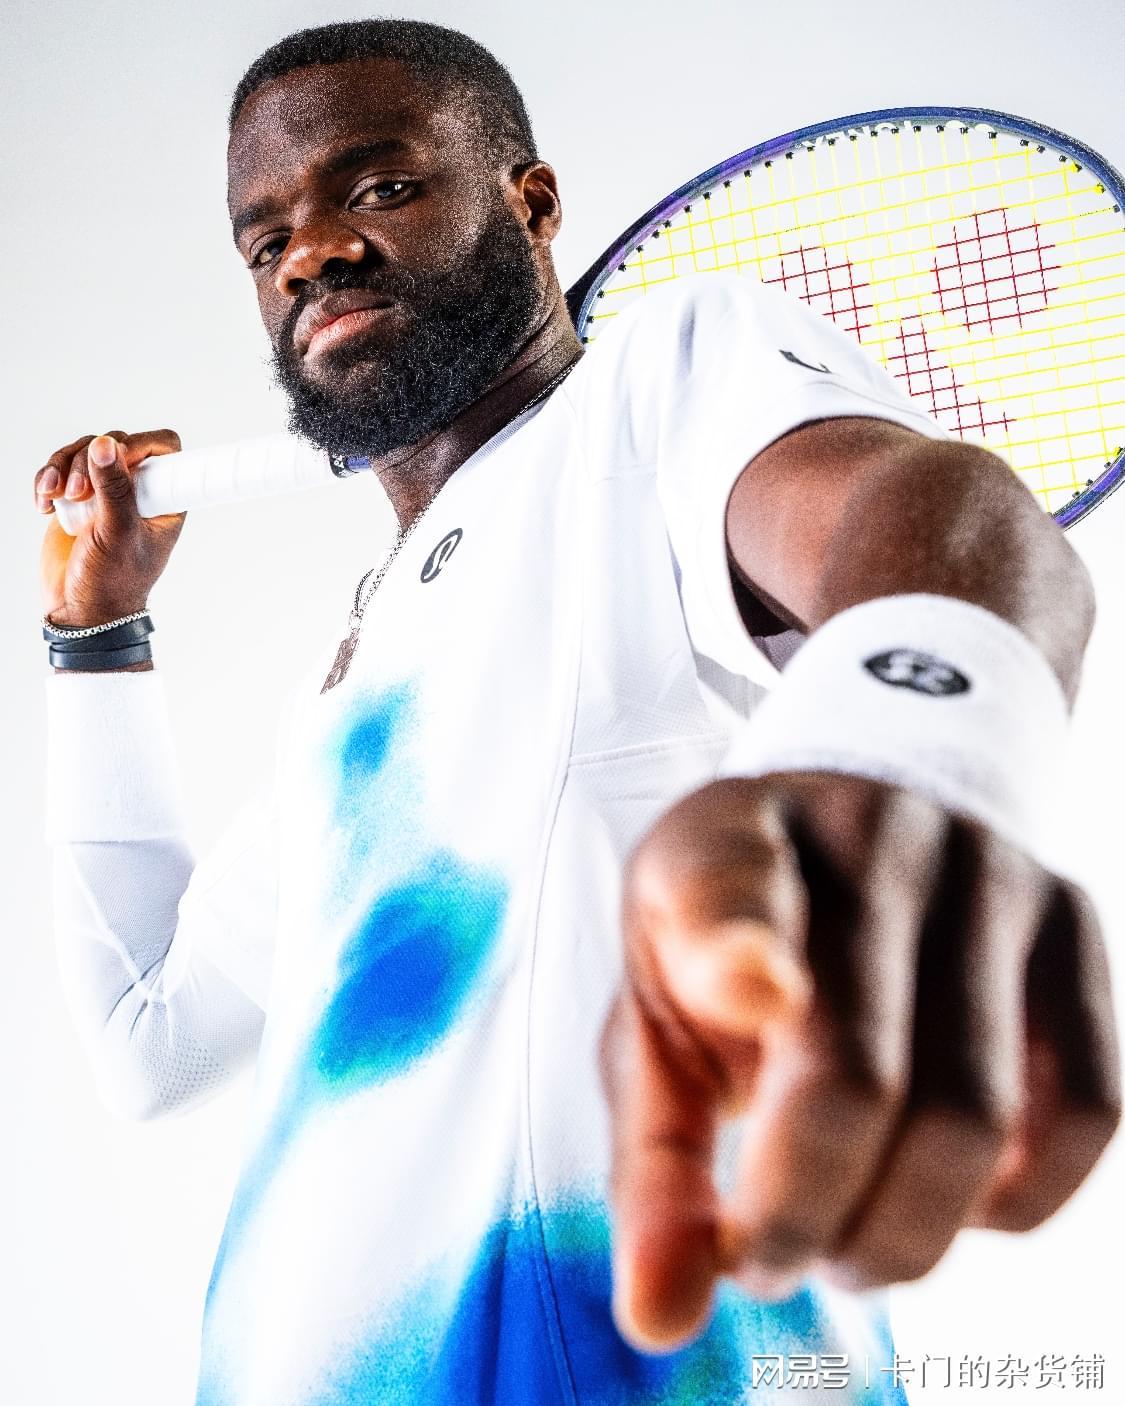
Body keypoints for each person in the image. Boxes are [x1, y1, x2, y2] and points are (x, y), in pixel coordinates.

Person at [34, 18, 1120, 1406]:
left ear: (531, 203)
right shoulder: (352, 694)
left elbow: (934, 511)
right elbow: (152, 1040)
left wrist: (913, 748)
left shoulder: (650, 387)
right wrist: (95, 635)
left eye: (378, 188)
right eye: (268, 242)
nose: (312, 254)